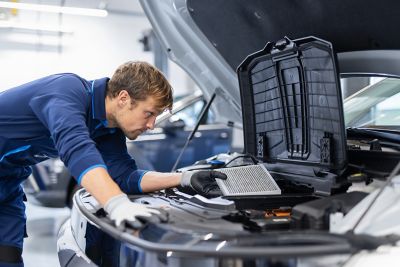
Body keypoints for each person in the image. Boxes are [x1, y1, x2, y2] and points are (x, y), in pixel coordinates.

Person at [0, 61, 227, 267]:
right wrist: (117, 204)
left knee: (8, 258)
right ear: (123, 98)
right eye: (149, 113)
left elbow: (124, 177)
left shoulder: (108, 130)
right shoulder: (66, 91)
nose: (151, 125)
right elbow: (76, 149)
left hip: (8, 184)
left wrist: (184, 178)